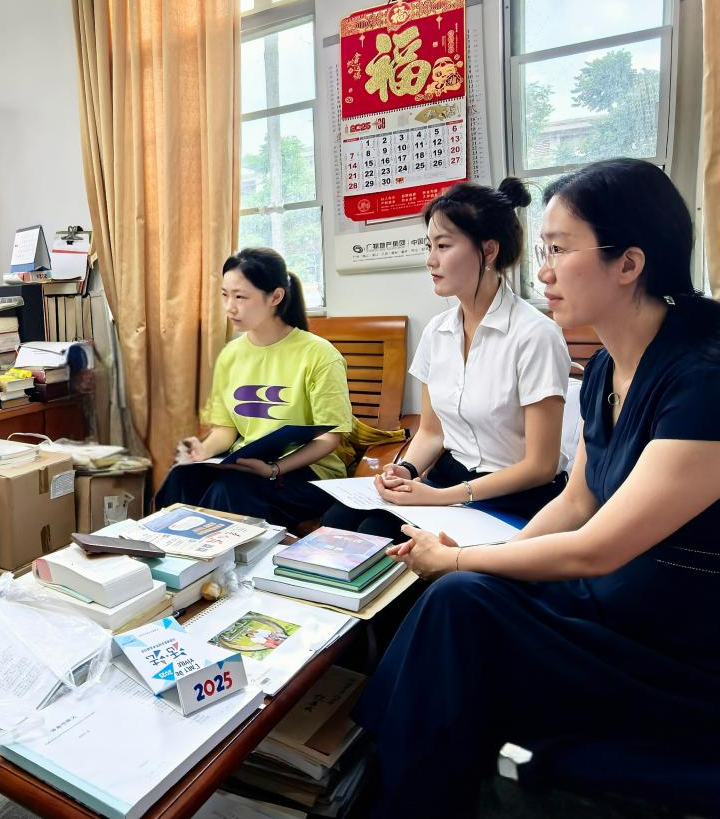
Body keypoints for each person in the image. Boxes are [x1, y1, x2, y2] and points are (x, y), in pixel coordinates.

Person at [354, 158, 720, 818]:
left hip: (668, 640)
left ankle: (386, 784)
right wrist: (486, 557)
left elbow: (596, 547)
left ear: (628, 263)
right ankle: (382, 774)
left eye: (557, 249)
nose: (543, 270)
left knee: (459, 597)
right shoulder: (606, 366)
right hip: (607, 600)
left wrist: (459, 558)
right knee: (460, 599)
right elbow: (577, 500)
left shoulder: (703, 377)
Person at [322, 178, 570, 541]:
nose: (430, 260)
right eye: (429, 246)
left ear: (488, 251)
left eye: (443, 245)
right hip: (450, 479)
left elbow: (540, 466)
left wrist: (441, 497)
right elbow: (432, 432)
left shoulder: (535, 335)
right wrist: (406, 470)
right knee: (338, 519)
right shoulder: (437, 332)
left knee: (378, 534)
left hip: (517, 495)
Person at [154, 247, 353, 527]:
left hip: (309, 474)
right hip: (247, 466)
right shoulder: (231, 355)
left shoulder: (319, 355)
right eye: (225, 295)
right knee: (181, 478)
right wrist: (202, 452)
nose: (229, 307)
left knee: (230, 490)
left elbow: (329, 438)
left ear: (275, 297)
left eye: (240, 297)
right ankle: (174, 552)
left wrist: (274, 469)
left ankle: (220, 554)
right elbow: (226, 429)